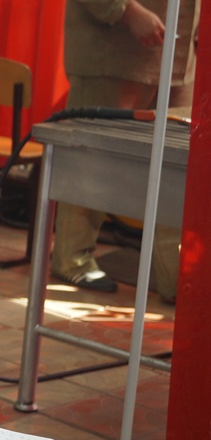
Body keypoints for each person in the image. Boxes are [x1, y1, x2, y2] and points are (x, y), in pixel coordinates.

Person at [52, 0, 199, 298]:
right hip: (116, 50)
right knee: (93, 158)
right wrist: (126, 10)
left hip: (182, 54)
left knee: (178, 168)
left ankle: (178, 278)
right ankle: (72, 259)